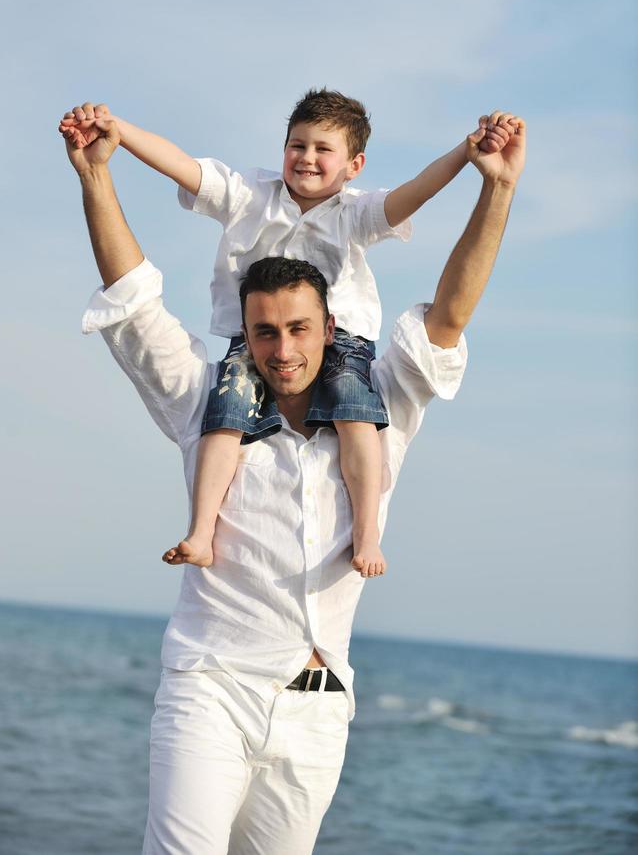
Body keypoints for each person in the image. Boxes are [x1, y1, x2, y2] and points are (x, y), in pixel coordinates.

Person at [62, 105, 525, 854]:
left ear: (330, 327)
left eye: (299, 329)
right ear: (244, 334)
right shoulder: (206, 401)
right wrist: (95, 178)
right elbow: (134, 307)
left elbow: (448, 318)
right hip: (211, 690)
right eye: (264, 332)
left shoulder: (378, 412)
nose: (281, 349)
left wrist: (495, 190)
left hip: (317, 713)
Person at [60, 91, 510, 579]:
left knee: (358, 422)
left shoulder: (355, 213)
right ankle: (201, 529)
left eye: (323, 149)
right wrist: (119, 132)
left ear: (354, 165)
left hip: (345, 345)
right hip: (246, 342)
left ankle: (367, 532)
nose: (307, 158)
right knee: (224, 420)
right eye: (297, 145)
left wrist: (467, 156)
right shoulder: (249, 195)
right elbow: (183, 166)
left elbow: (415, 191)